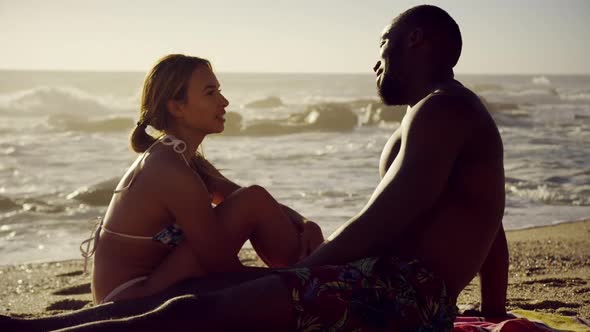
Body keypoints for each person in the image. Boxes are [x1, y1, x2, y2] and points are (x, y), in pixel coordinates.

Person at [2, 5, 508, 331]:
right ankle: (39, 329)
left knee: (191, 311)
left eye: (382, 45)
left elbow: (391, 214)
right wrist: (493, 313)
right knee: (200, 294)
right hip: (392, 289)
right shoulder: (444, 111)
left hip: (398, 299)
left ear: (416, 40)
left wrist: (313, 267)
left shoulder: (441, 109)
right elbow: (491, 217)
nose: (376, 61)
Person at [79, 54, 325, 304]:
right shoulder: (170, 170)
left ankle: (310, 265)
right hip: (131, 300)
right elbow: (221, 268)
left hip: (154, 282)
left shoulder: (181, 157)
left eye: (219, 91)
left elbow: (256, 204)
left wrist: (305, 224)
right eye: (210, 93)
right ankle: (312, 272)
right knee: (252, 200)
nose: (224, 102)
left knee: (254, 198)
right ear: (177, 107)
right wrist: (288, 279)